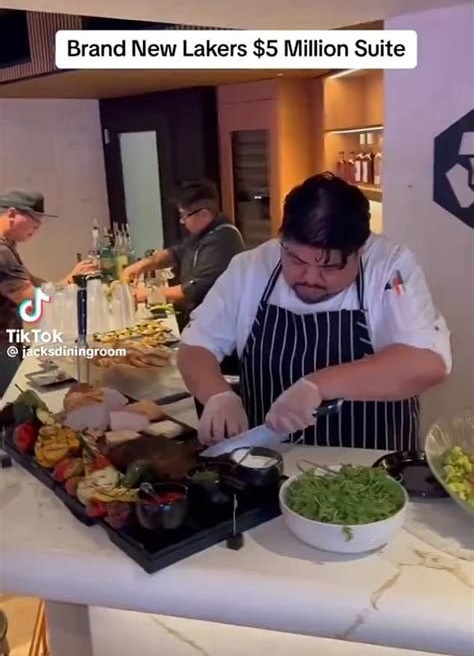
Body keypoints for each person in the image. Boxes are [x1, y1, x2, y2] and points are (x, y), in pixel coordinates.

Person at [178, 173, 451, 451]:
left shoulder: (389, 267)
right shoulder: (250, 268)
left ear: (361, 251)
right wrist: (217, 395)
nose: (310, 277)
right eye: (296, 259)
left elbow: (429, 363)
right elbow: (195, 347)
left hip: (373, 470)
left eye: (330, 267)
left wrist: (318, 385)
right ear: (282, 238)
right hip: (268, 465)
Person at [0, 190, 95, 396]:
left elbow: (31, 282)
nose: (38, 226)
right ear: (12, 213)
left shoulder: (8, 244)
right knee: (12, 400)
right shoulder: (2, 251)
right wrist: (71, 286)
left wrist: (67, 281)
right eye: (34, 219)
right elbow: (33, 303)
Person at [122, 179, 245, 320]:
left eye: (184, 216)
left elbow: (196, 289)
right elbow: (176, 253)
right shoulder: (204, 232)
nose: (182, 221)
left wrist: (149, 294)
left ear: (204, 214)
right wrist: (141, 265)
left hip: (215, 322)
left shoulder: (223, 239)